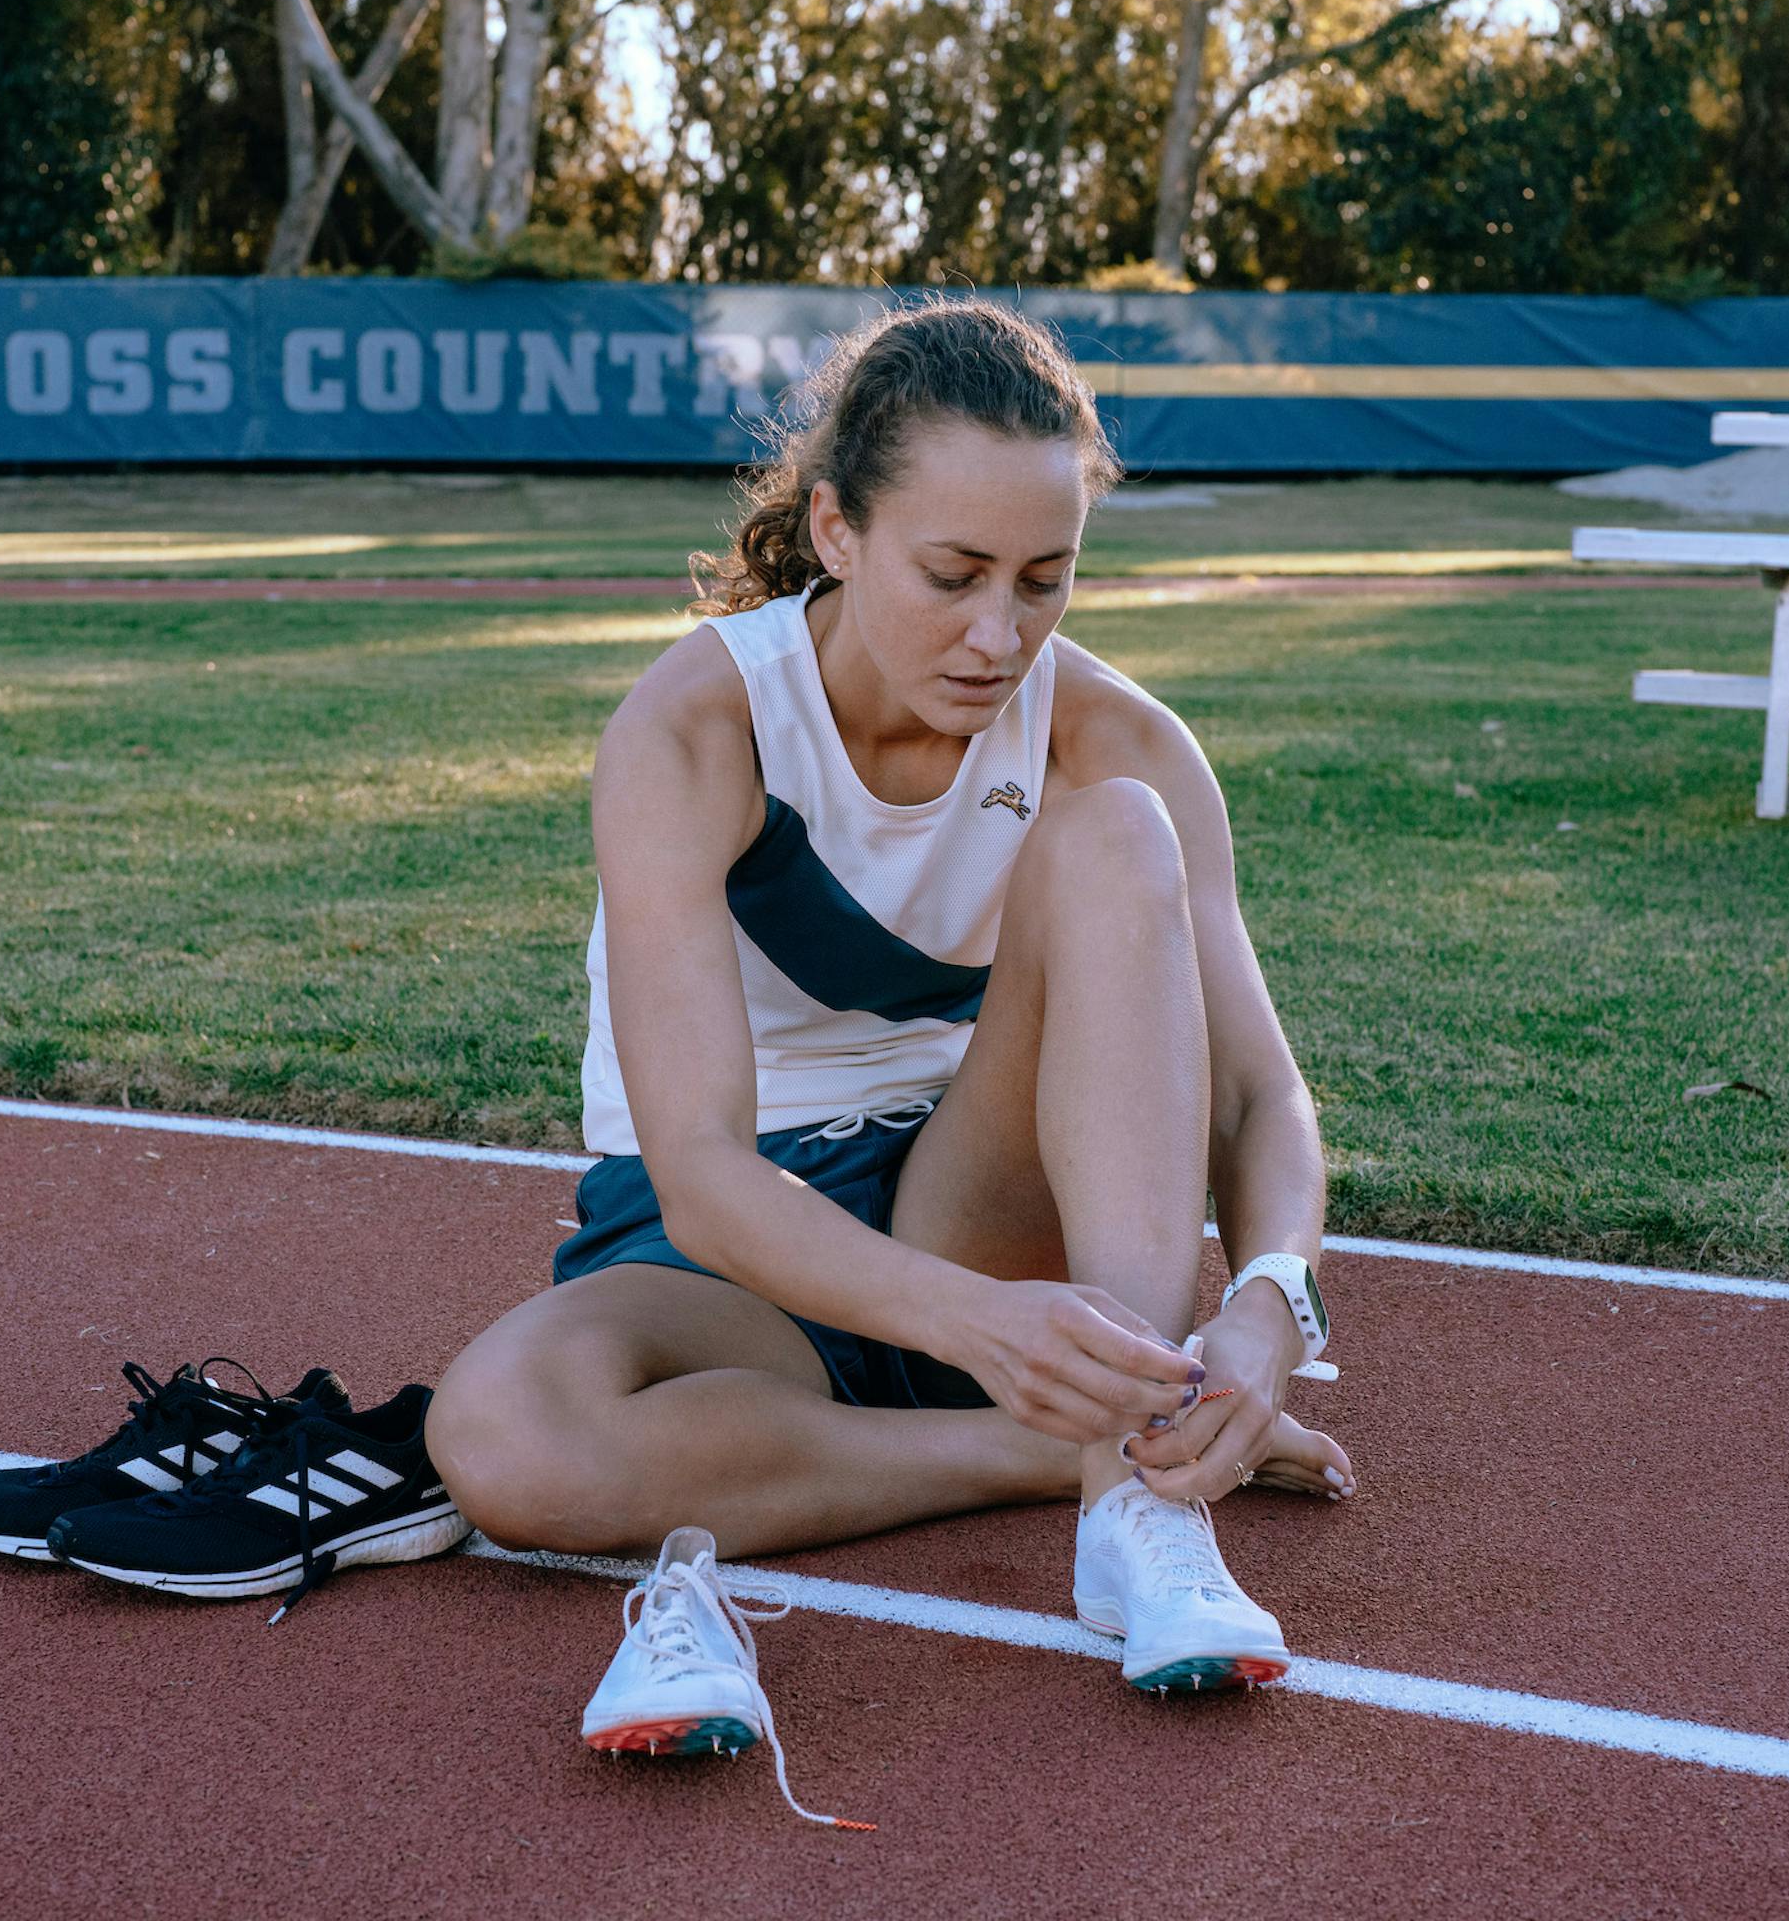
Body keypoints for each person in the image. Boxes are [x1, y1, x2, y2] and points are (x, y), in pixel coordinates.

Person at [423, 299, 1356, 1810]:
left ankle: (1138, 1502)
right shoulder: (695, 727)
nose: (1000, 637)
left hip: (970, 1200)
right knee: (503, 1435)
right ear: (838, 531)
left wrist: (1270, 1302)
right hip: (732, 1257)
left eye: (1044, 581)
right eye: (954, 576)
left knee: (1121, 835)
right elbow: (704, 1176)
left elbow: (1259, 1096)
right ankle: (1095, 1442)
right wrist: (994, 1340)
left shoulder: (1115, 738)